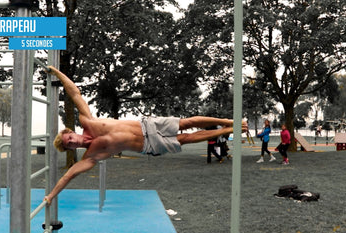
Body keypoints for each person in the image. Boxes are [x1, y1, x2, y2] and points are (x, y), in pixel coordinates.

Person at [43, 66, 247, 204]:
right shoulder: (90, 157)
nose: (73, 143)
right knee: (187, 138)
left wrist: (57, 73)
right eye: (69, 146)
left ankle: (230, 121)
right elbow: (69, 175)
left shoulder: (87, 121)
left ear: (71, 132)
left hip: (147, 125)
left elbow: (75, 93)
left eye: (69, 139)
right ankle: (231, 130)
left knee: (188, 122)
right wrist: (51, 196)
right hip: (148, 146)